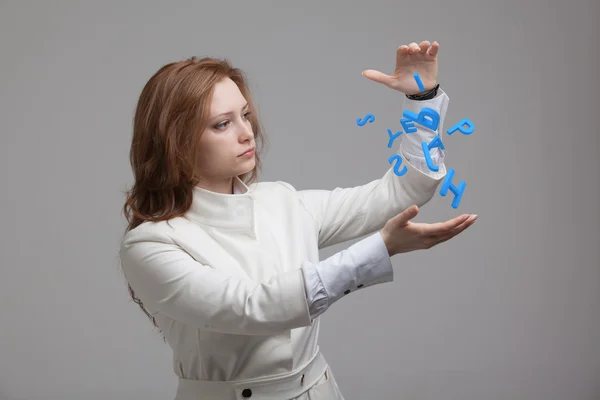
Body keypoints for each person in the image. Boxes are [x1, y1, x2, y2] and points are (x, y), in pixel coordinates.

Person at [119, 40, 477, 400]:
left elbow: (399, 193)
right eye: (222, 124)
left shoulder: (282, 201)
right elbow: (250, 308)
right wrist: (380, 250)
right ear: (176, 141)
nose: (247, 132)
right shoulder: (151, 244)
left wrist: (422, 100)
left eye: (245, 115)